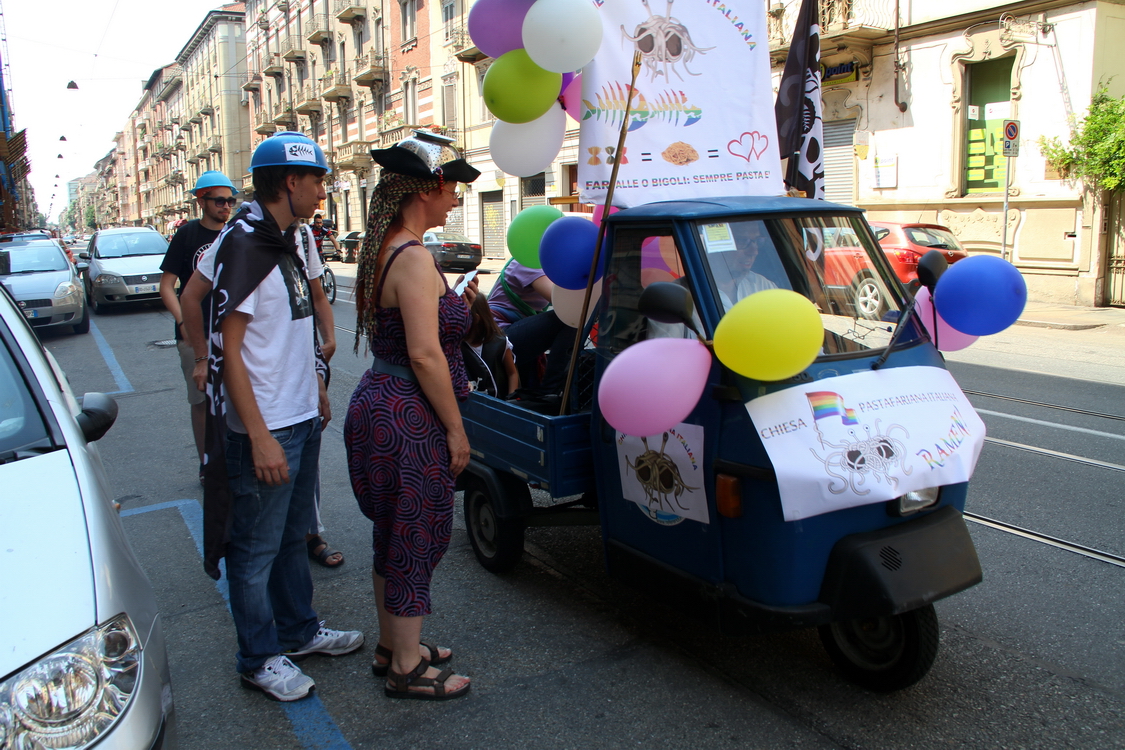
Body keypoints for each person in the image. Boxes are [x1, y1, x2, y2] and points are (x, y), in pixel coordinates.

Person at [181, 131, 363, 702]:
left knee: (291, 536)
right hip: (265, 424)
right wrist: (257, 435)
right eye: (317, 182)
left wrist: (314, 385)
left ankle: (300, 630)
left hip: (299, 410)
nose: (321, 192)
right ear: (291, 182)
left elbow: (292, 326)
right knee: (254, 550)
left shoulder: (288, 238)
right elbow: (224, 344)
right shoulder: (245, 245)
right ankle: (258, 657)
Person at [344, 130, 479, 701]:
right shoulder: (415, 256)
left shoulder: (387, 246)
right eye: (454, 187)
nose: (458, 198)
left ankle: (392, 644)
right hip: (408, 417)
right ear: (429, 187)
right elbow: (425, 353)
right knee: (414, 536)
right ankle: (405, 666)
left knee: (392, 534)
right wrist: (455, 428)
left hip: (381, 403)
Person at [159, 171, 238, 484]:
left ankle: (234, 459)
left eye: (230, 200)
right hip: (195, 335)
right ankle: (207, 465)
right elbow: (167, 285)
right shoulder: (187, 235)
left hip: (231, 331)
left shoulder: (236, 232)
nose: (226, 206)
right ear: (201, 201)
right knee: (202, 401)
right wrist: (182, 321)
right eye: (219, 200)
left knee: (235, 396)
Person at [486, 259, 573, 396]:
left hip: (511, 329)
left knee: (572, 317)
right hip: (498, 336)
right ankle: (550, 392)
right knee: (570, 317)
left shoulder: (553, 265)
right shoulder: (528, 262)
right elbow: (563, 302)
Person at [463, 294, 518, 398]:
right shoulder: (455, 343)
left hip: (496, 402)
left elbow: (512, 373)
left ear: (475, 318)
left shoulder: (500, 342)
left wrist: (511, 399)